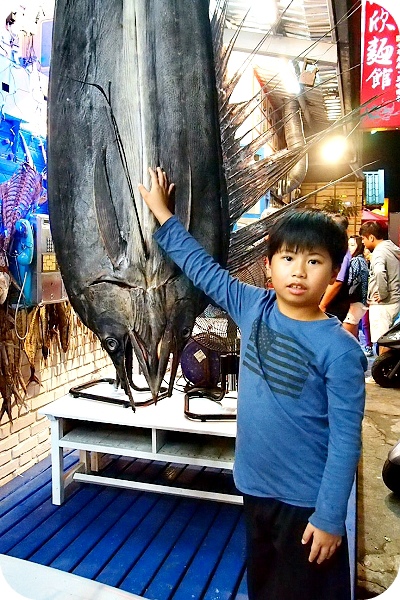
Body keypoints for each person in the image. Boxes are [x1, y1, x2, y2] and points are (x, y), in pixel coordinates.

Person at [139, 167, 367, 600]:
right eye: (288, 258)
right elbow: (202, 269)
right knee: (264, 589)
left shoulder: (339, 350)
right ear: (268, 267)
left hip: (308, 505)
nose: (299, 270)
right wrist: (162, 213)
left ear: (334, 273)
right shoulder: (252, 307)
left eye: (314, 260)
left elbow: (345, 441)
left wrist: (331, 515)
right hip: (255, 488)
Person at [359, 221, 400, 355]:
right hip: (394, 301)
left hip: (383, 304)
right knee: (391, 340)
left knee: (383, 341)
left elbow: (379, 272)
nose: (363, 243)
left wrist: (382, 294)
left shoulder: (379, 252)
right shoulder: (391, 248)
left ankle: (381, 375)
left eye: (363, 238)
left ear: (371, 237)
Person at [319, 214, 351, 321]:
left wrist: (322, 305)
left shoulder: (342, 252)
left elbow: (338, 281)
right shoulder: (336, 248)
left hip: (334, 305)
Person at [343, 235, 369, 338]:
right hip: (360, 302)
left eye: (352, 245)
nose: (349, 247)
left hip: (354, 301)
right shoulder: (362, 260)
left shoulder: (355, 261)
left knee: (346, 337)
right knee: (353, 336)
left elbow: (349, 280)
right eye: (348, 245)